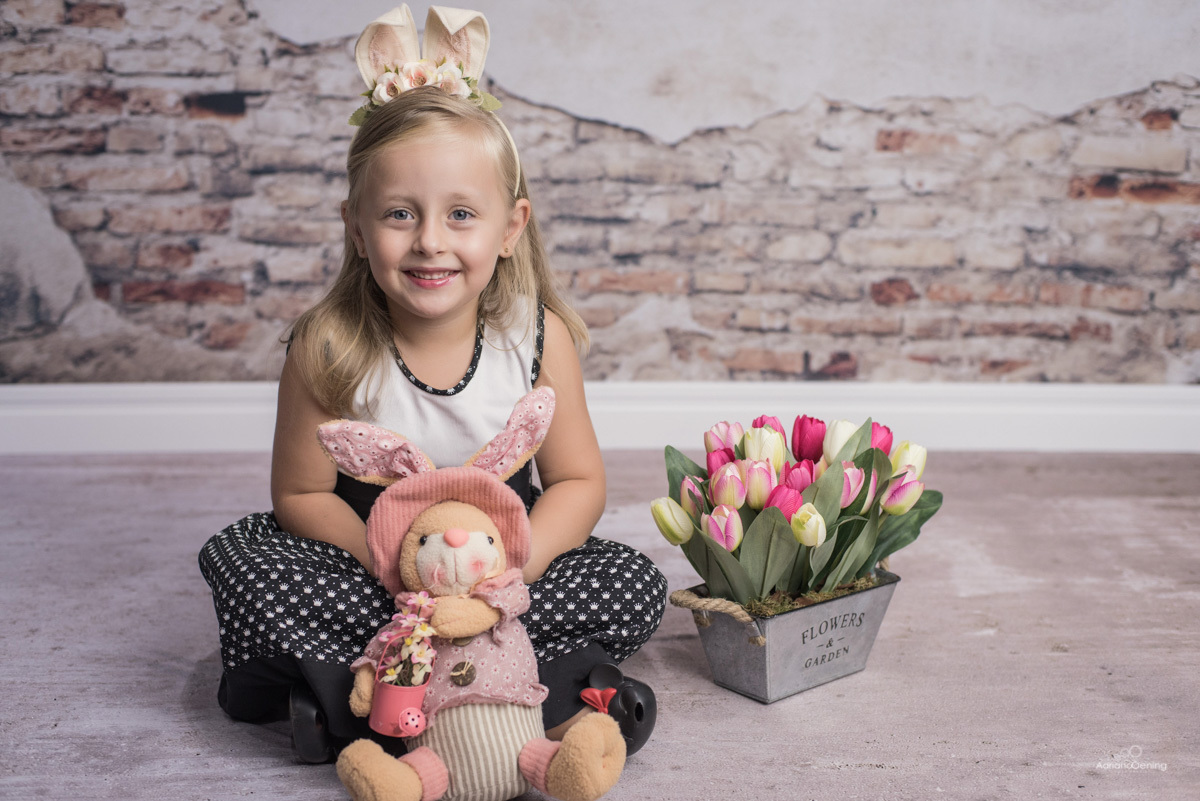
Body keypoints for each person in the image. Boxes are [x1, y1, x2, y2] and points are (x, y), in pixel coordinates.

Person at [198, 4, 665, 764]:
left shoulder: (536, 340)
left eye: (459, 214)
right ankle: (373, 703)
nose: (429, 241)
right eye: (399, 214)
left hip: (501, 570)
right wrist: (395, 570)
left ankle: (514, 684)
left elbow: (577, 479)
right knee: (247, 563)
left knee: (629, 580)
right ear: (356, 225)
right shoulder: (328, 345)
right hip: (374, 567)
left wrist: (516, 570)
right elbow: (301, 495)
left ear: (510, 228)